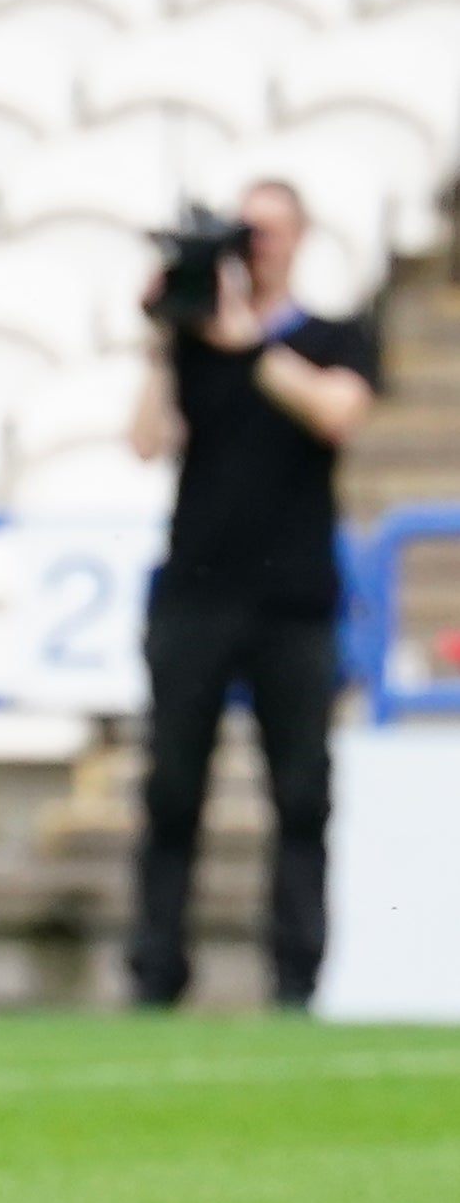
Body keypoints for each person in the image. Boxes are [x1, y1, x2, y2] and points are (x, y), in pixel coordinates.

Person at [124, 178, 375, 1010]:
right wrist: (164, 341)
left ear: (299, 239)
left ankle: (294, 980)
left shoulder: (335, 335)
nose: (252, 247)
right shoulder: (194, 343)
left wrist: (248, 342)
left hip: (295, 599)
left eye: (267, 233)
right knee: (170, 792)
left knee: (300, 794)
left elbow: (337, 415)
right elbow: (146, 441)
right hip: (194, 590)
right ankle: (154, 977)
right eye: (244, 233)